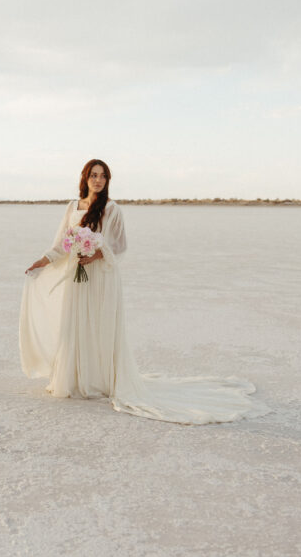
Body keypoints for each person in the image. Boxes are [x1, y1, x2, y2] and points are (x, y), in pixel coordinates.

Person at [20, 159, 268, 424]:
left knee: (100, 326)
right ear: (85, 178)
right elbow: (61, 244)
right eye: (93, 175)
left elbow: (120, 246)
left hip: (101, 276)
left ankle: (100, 380)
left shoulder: (112, 209)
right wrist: (43, 260)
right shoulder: (73, 207)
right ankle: (77, 379)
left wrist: (95, 255)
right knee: (76, 325)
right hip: (76, 277)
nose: (98, 180)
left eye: (103, 176)